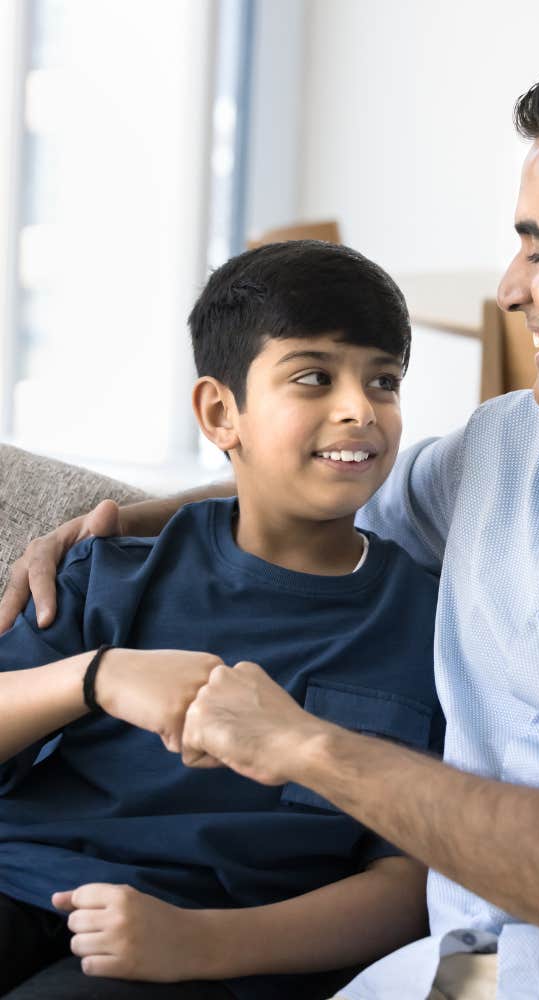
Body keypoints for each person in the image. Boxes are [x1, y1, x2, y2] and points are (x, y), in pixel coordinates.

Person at [4, 43, 539, 1000]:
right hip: (438, 971)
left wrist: (304, 745)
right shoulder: (504, 450)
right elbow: (314, 492)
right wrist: (107, 521)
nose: (511, 286)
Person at [0, 240, 445, 999]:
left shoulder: (427, 625)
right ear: (219, 411)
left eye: (384, 381)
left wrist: (200, 944)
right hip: (20, 881)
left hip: (206, 948)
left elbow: (407, 886)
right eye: (314, 377)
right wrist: (97, 678)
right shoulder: (115, 570)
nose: (359, 409)